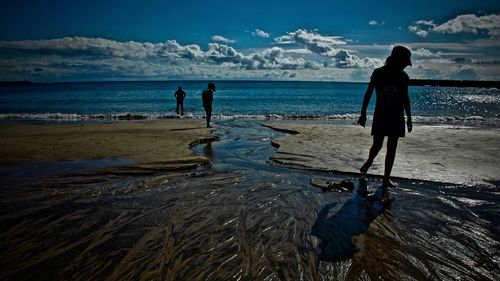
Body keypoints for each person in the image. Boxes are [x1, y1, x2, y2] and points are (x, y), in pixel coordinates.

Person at [357, 46, 413, 187]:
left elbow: (406, 98)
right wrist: (363, 113)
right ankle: (369, 162)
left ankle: (386, 178)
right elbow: (368, 93)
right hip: (381, 115)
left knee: (392, 148)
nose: (406, 66)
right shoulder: (379, 73)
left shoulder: (403, 77)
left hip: (397, 116)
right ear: (397, 60)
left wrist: (409, 118)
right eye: (405, 63)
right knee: (377, 145)